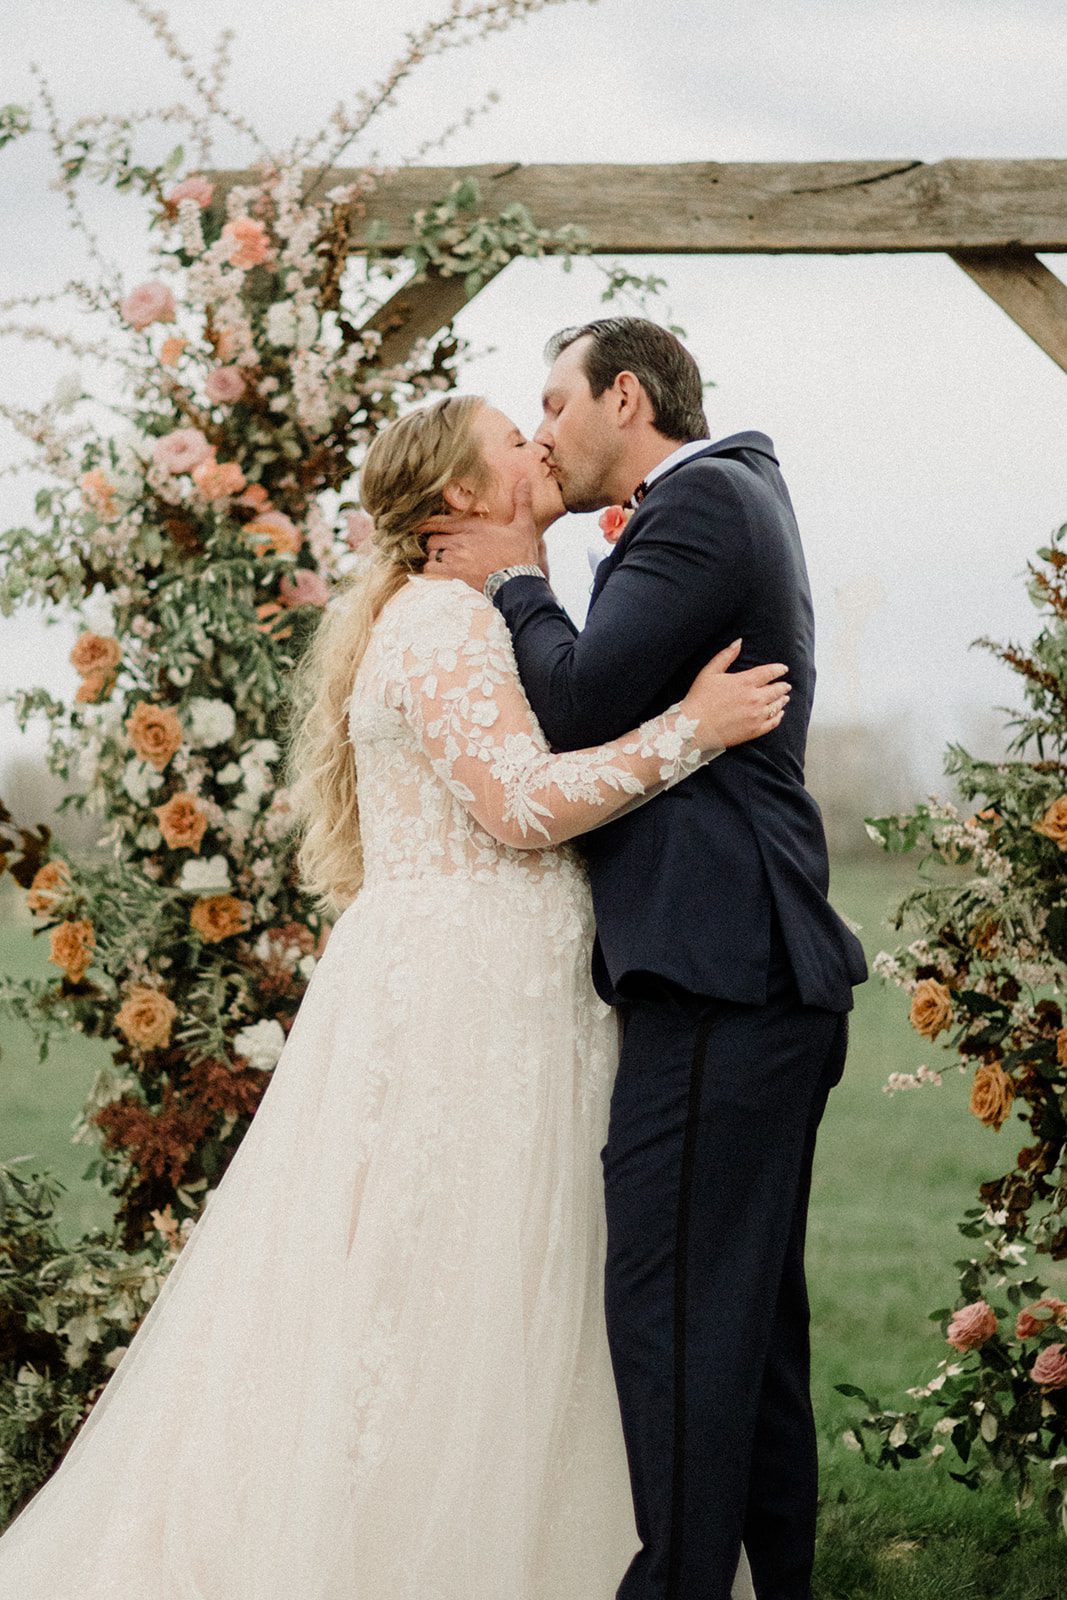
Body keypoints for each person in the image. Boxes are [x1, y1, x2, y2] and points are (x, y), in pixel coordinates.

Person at [0, 392, 788, 1600]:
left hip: (496, 981)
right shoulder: (441, 624)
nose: (537, 443)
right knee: (451, 1279)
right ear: (461, 499)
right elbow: (518, 805)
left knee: (512, 1275)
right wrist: (693, 728)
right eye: (510, 439)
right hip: (469, 997)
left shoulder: (466, 612)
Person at [422, 320, 870, 1600]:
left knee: (671, 1318)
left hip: (720, 978)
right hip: (754, 978)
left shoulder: (699, 504)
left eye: (552, 401)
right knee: (744, 1334)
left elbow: (570, 704)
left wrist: (512, 576)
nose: (542, 429)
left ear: (626, 394)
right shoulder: (723, 502)